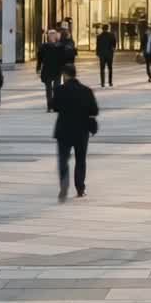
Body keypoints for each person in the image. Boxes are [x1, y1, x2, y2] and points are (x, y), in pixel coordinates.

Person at [52, 65, 98, 201]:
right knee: (81, 160)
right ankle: (80, 188)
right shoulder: (86, 90)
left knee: (63, 159)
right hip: (81, 131)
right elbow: (94, 111)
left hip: (64, 130)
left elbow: (54, 106)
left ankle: (64, 185)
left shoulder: (60, 90)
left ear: (65, 75)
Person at [37, 29, 66, 112]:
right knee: (48, 89)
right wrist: (38, 68)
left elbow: (63, 58)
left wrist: (64, 69)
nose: (52, 36)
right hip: (47, 70)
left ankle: (55, 105)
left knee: (56, 89)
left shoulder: (60, 46)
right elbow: (40, 59)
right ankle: (49, 106)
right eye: (51, 35)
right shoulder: (43, 47)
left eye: (54, 35)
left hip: (57, 70)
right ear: (48, 37)